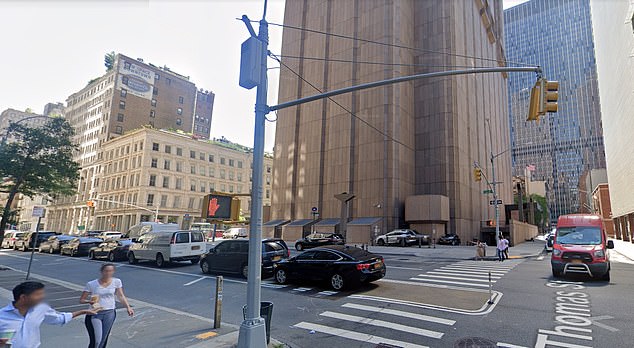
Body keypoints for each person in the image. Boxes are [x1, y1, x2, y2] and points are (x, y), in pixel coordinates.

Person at [0, 281, 96, 348]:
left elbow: (59, 319)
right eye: (38, 294)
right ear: (23, 297)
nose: (42, 297)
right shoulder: (2, 316)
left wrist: (82, 312)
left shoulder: (41, 309)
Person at [80, 264, 134, 348]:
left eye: (111, 271)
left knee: (103, 339)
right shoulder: (92, 284)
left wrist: (128, 307)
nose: (108, 273)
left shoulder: (117, 281)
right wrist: (89, 301)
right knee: (97, 340)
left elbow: (120, 296)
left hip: (109, 312)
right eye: (106, 271)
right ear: (102, 272)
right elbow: (81, 300)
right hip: (95, 313)